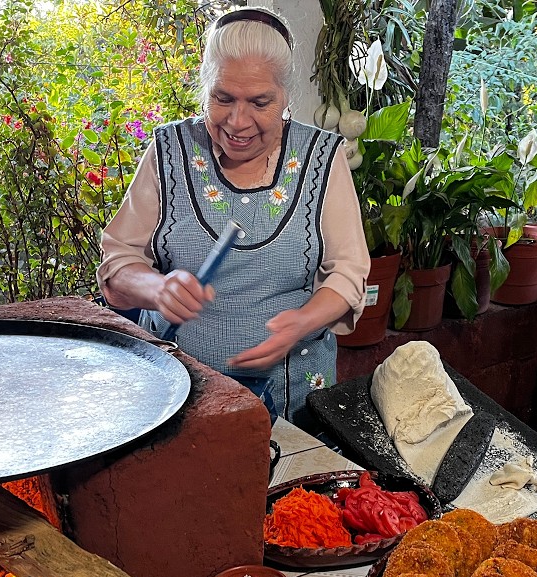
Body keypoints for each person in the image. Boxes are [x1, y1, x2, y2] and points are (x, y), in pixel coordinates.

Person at [97, 6, 370, 423]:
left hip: (292, 403)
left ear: (285, 97)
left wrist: (302, 321)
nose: (238, 122)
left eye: (260, 102)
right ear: (205, 89)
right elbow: (118, 263)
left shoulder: (321, 158)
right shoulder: (170, 151)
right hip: (176, 397)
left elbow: (350, 273)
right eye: (222, 98)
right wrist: (157, 288)